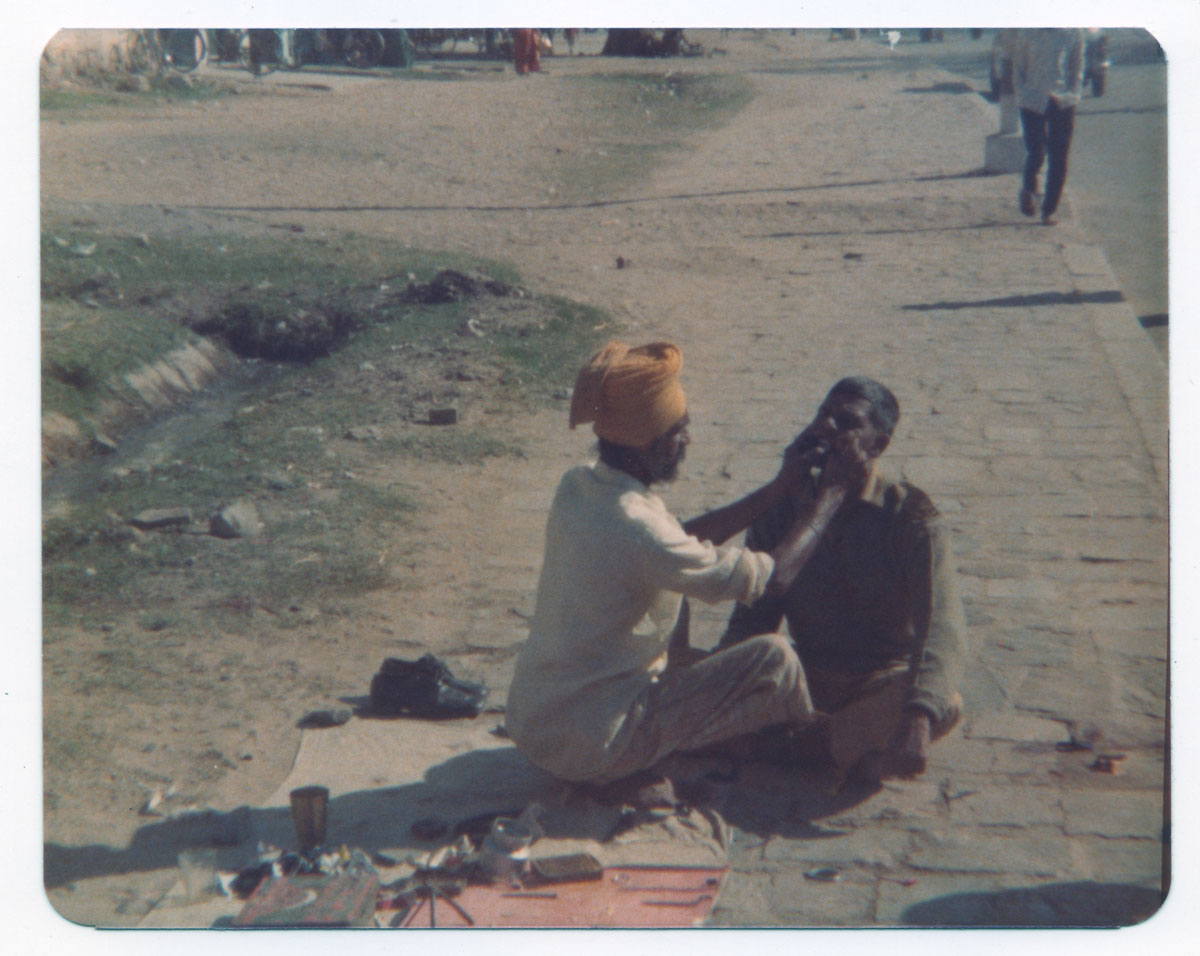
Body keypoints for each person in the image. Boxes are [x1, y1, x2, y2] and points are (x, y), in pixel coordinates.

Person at [504, 342, 872, 793]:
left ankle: (685, 734)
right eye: (680, 430)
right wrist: (829, 498)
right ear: (647, 440)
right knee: (772, 657)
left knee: (676, 594)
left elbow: (677, 541)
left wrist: (777, 489)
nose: (688, 440)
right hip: (592, 746)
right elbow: (773, 580)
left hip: (538, 722)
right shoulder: (640, 530)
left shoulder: (580, 485)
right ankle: (799, 746)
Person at [719, 377, 967, 783]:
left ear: (879, 445)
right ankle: (840, 748)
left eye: (847, 422)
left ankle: (801, 746)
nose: (828, 428)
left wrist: (918, 717)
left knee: (941, 702)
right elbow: (753, 620)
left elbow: (941, 627)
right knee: (711, 672)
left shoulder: (911, 516)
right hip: (802, 677)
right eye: (823, 415)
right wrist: (724, 681)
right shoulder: (784, 509)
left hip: (878, 681)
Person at [1015, 28, 1085, 225]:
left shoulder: (1073, 32)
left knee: (1059, 157)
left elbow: (1077, 67)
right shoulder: (1028, 32)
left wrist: (1072, 94)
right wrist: (1022, 95)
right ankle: (1029, 188)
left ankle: (1049, 210)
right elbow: (1019, 67)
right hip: (1032, 100)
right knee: (1036, 152)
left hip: (1062, 100)